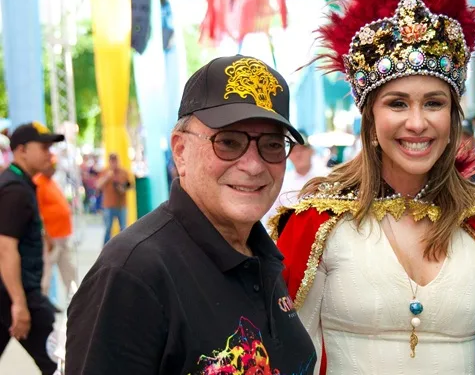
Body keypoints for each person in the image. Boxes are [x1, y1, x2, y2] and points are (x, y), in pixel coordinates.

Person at [270, 0, 475, 373]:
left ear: (454, 116)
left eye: (434, 103)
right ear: (370, 117)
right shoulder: (315, 222)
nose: (417, 123)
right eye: (397, 103)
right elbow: (285, 356)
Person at [67, 55, 316, 374]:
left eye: (271, 145)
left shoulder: (262, 254)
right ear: (181, 151)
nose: (254, 165)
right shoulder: (133, 275)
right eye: (229, 142)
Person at [0, 122, 65, 374]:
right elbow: (5, 248)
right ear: (22, 150)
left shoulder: (20, 183)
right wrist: (19, 303)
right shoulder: (15, 190)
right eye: (44, 147)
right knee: (59, 362)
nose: (50, 154)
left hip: (10, 293)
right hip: (17, 294)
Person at [262, 130, 329, 227]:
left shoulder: (326, 177)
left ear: (311, 151)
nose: (298, 154)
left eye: (302, 149)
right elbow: (271, 217)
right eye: (294, 151)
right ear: (289, 156)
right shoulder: (282, 181)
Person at [33, 156, 77, 298]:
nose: (53, 168)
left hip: (63, 236)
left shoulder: (51, 182)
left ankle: (74, 300)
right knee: (46, 274)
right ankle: (42, 301)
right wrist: (46, 236)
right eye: (50, 165)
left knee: (69, 272)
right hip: (51, 238)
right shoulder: (38, 183)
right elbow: (38, 213)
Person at [97, 153, 132, 244]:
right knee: (108, 228)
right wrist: (107, 177)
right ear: (109, 161)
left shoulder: (124, 172)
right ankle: (106, 247)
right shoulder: (105, 171)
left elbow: (130, 185)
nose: (114, 163)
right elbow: (98, 185)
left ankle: (123, 246)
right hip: (108, 205)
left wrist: (122, 189)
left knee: (123, 228)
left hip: (121, 205)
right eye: (112, 161)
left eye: (115, 161)